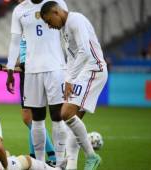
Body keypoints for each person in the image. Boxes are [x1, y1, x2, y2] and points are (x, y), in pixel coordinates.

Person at [40, 1, 108, 170]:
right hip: (83, 73)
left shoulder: (75, 20)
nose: (49, 26)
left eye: (49, 21)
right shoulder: (64, 29)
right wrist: (67, 80)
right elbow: (71, 58)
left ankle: (92, 156)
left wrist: (70, 80)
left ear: (56, 12)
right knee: (73, 125)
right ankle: (70, 166)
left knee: (66, 113)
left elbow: (84, 52)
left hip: (94, 69)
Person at [6, 0, 68, 168]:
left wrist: (71, 66)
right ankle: (40, 164)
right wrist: (11, 68)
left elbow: (66, 32)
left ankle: (61, 162)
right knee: (37, 119)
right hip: (31, 71)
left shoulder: (57, 2)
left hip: (55, 68)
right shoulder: (20, 10)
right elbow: (15, 40)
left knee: (57, 116)